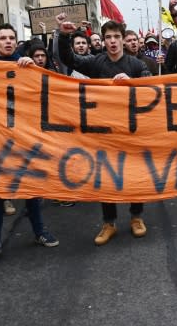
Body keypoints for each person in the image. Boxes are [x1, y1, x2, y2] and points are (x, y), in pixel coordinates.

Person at [57, 14, 152, 245]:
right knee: (106, 176)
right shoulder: (96, 62)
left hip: (131, 129)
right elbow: (68, 58)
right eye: (108, 37)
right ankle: (109, 223)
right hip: (103, 131)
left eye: (116, 37)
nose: (112, 41)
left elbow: (151, 88)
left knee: (133, 174)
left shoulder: (136, 65)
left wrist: (132, 82)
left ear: (123, 39)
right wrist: (62, 34)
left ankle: (136, 218)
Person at [0, 24, 59, 265]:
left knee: (30, 188)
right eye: (3, 38)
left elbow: (42, 92)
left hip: (23, 137)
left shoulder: (26, 64)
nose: (8, 41)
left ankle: (39, 232)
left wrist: (31, 69)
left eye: (12, 38)